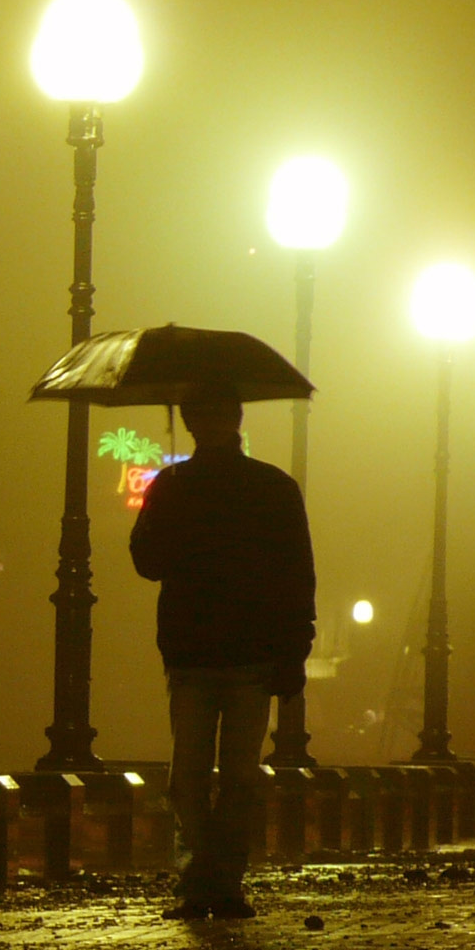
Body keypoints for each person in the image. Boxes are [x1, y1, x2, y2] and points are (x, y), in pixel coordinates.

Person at [128, 389, 315, 920]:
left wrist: (161, 517)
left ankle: (201, 879)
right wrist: (295, 645)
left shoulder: (176, 486)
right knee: (237, 776)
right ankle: (222, 881)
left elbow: (147, 561)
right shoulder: (273, 487)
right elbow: (297, 574)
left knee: (190, 775)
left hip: (194, 650)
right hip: (247, 651)